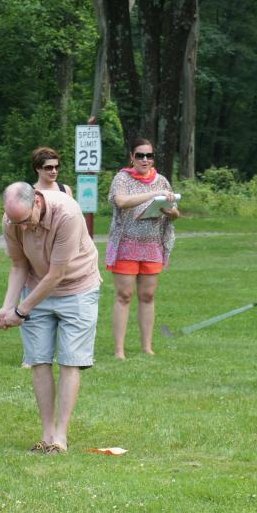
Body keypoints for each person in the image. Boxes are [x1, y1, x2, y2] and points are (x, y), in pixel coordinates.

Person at [0, 182, 101, 453]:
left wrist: (20, 311)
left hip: (77, 288)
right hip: (35, 288)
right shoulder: (12, 220)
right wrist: (7, 308)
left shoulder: (68, 214)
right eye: (17, 223)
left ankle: (61, 437)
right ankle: (47, 435)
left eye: (26, 220)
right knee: (39, 360)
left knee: (70, 361)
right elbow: (18, 265)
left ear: (37, 202)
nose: (23, 227)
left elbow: (57, 274)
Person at [105, 138, 179, 358]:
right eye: (140, 155)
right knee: (124, 295)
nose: (145, 160)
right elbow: (121, 201)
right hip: (126, 244)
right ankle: (119, 350)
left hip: (153, 244)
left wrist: (169, 211)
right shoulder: (122, 178)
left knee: (147, 295)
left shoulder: (162, 180)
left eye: (149, 155)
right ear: (131, 157)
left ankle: (147, 347)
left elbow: (174, 212)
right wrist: (152, 195)